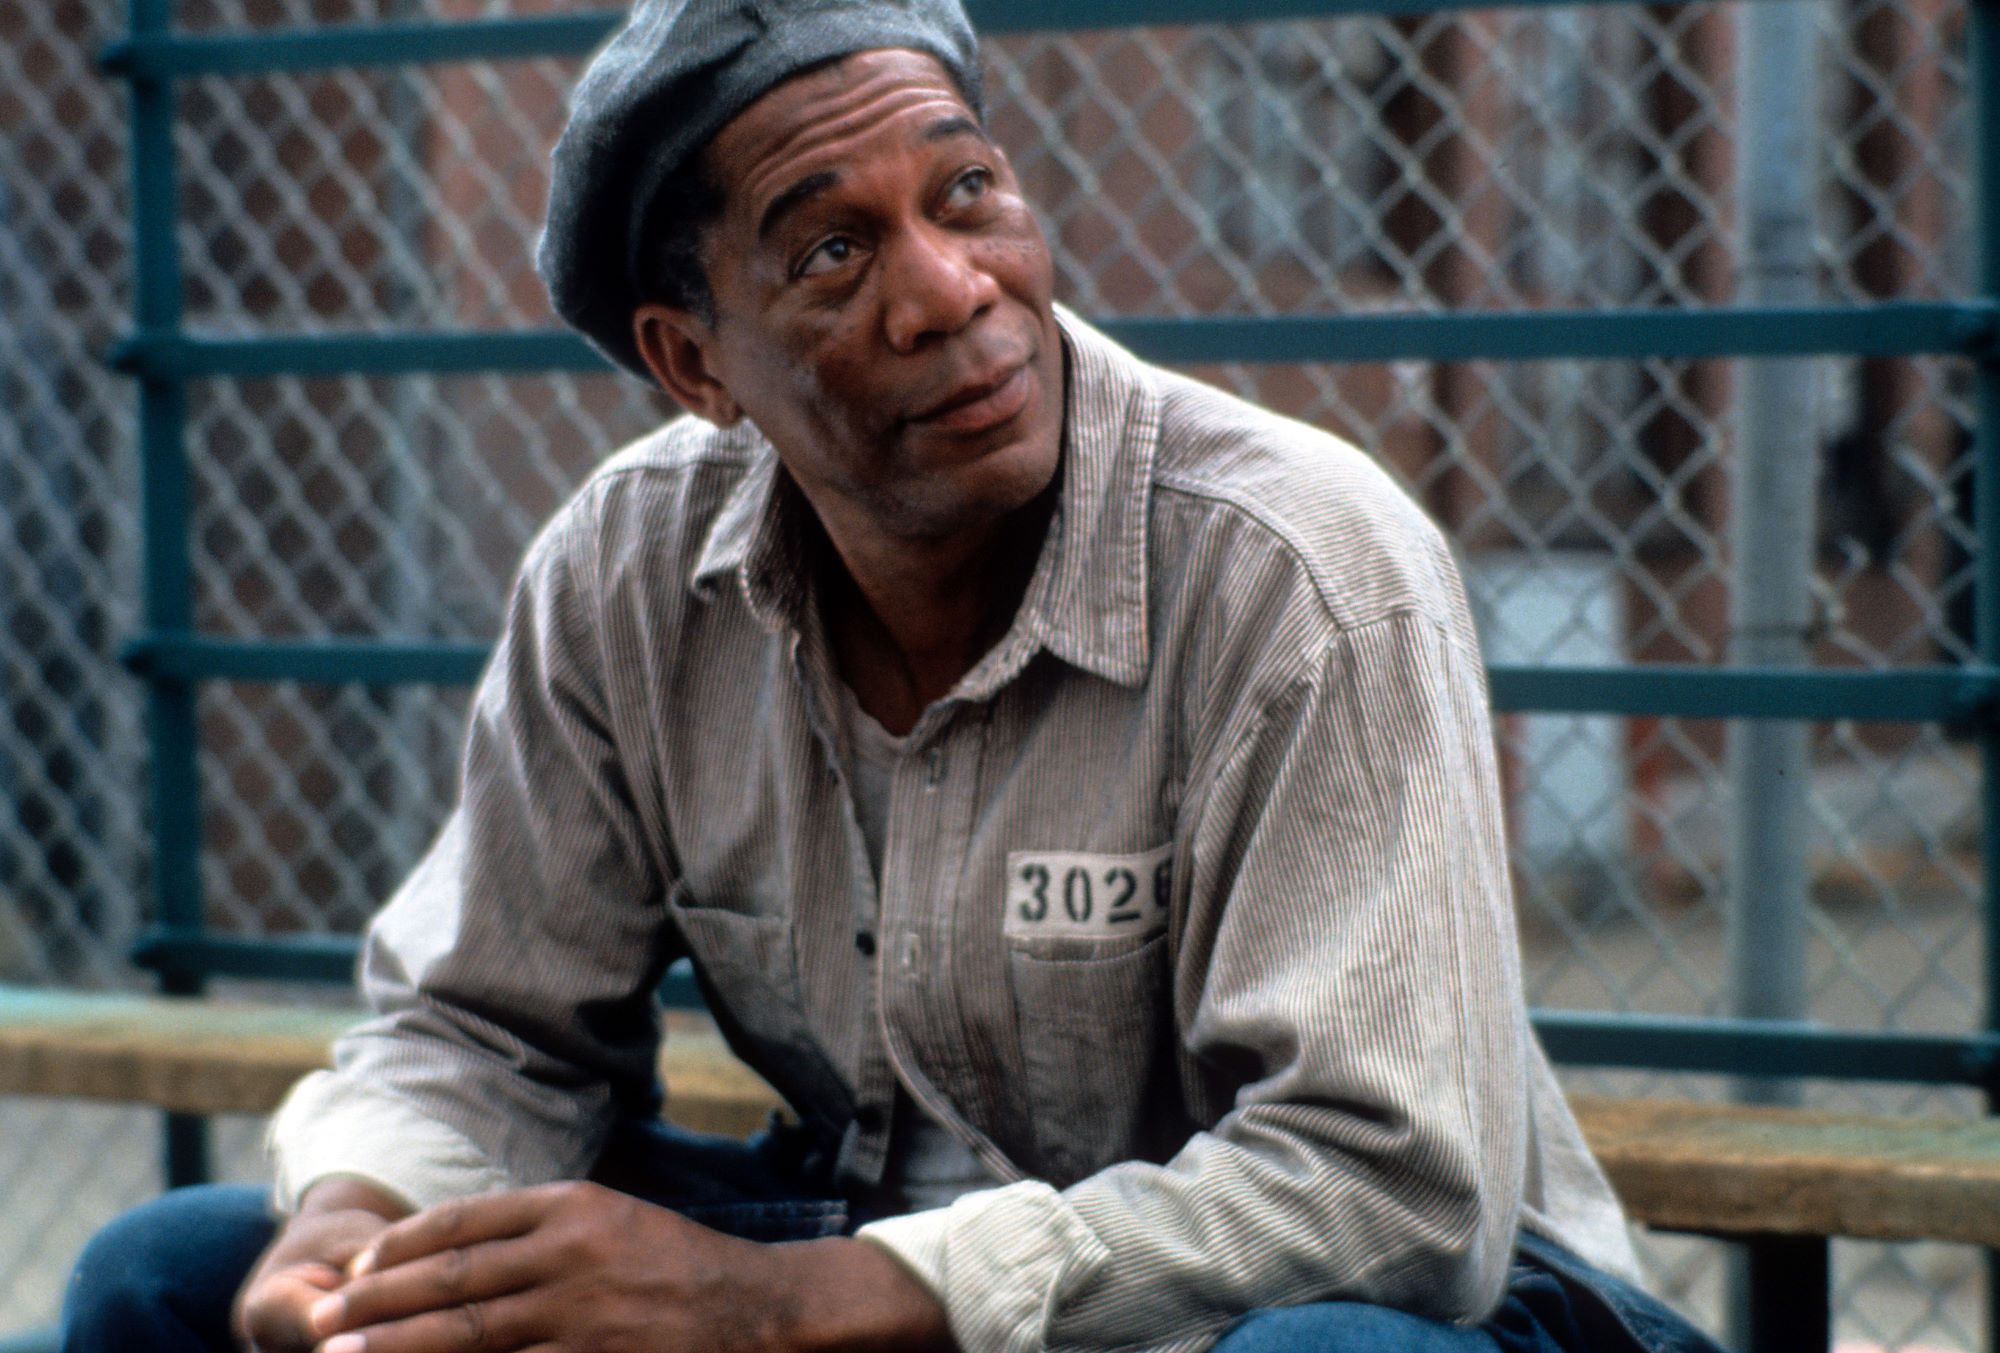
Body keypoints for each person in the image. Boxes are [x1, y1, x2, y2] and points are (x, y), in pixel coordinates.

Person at [63, 1, 1727, 1350]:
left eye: (967, 194)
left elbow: (1393, 1192)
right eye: (832, 255)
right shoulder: (627, 573)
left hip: (1379, 1308)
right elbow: (484, 1026)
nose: (952, 292)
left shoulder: (1294, 563)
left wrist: (781, 1307)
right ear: (691, 360)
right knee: (176, 1272)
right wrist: (358, 1218)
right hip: (864, 1256)